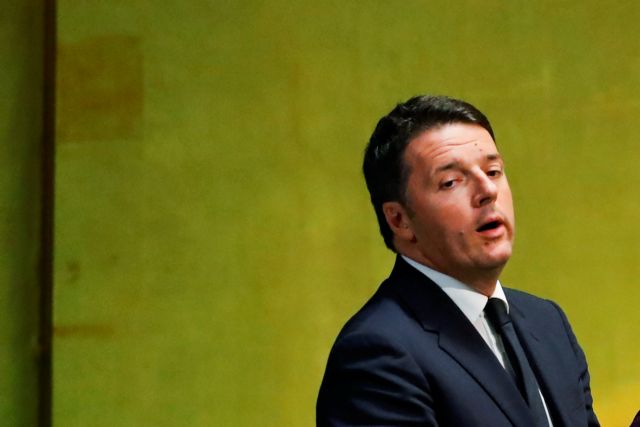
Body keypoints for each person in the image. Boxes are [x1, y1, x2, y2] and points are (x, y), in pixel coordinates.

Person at [316, 95, 599, 426]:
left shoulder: (547, 323)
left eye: (493, 171)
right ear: (399, 220)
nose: (487, 190)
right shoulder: (376, 354)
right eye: (451, 182)